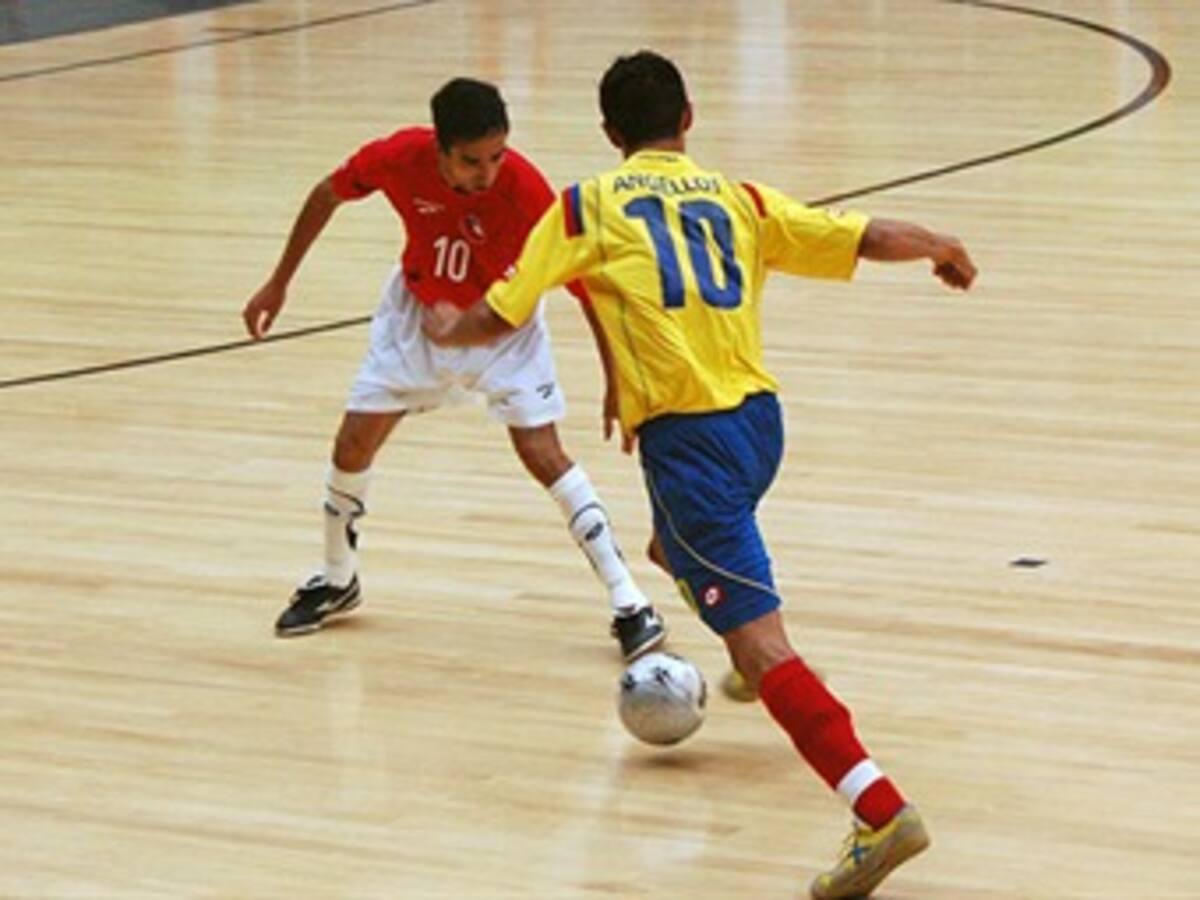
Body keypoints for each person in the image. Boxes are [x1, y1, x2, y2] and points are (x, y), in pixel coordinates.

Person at [422, 51, 977, 900]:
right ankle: (754, 658)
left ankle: (877, 809)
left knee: (760, 637)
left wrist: (447, 326)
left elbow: (503, 310)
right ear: (688, 119)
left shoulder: (585, 205)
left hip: (690, 445)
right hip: (760, 428)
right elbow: (861, 237)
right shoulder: (737, 197)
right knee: (670, 547)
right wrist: (938, 244)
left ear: (609, 132)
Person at [241, 77, 667, 661]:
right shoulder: (398, 157)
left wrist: (617, 378)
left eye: (497, 156)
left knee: (542, 453)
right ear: (439, 148)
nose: (487, 173)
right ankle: (337, 578)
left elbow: (587, 286)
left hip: (503, 326)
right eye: (471, 161)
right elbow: (326, 194)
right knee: (352, 444)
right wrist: (278, 281)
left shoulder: (525, 191)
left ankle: (630, 602)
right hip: (418, 317)